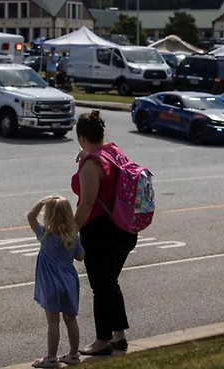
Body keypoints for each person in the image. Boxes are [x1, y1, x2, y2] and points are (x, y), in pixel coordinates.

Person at [71, 110, 139, 356]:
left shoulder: (91, 164)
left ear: (81, 137)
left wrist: (70, 232)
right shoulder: (114, 151)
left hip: (102, 233)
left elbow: (86, 204)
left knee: (101, 287)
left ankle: (102, 341)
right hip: (125, 229)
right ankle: (119, 337)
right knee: (110, 283)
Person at [27, 195, 86, 368]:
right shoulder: (72, 237)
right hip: (69, 282)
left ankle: (51, 358)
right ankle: (74, 354)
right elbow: (81, 257)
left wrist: (42, 202)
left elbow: (30, 217)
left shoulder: (45, 235)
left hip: (50, 283)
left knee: (53, 321)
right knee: (71, 319)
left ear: (49, 216)